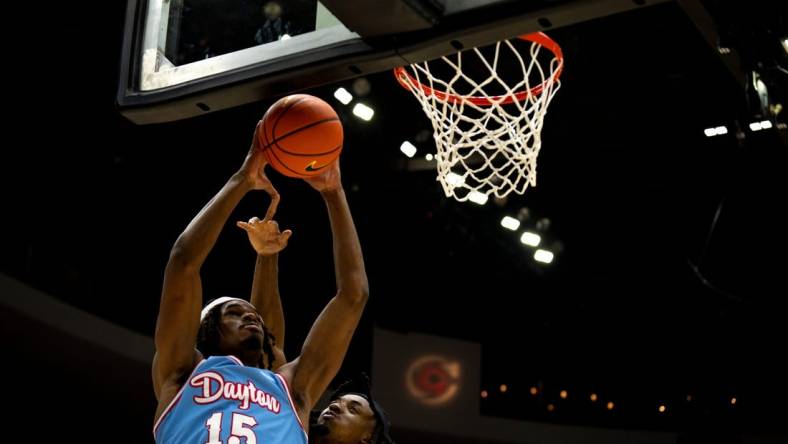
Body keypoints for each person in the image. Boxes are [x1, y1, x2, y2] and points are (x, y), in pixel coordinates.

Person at [152, 120, 370, 443]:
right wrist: (242, 179)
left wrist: (333, 191)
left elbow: (354, 295)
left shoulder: (293, 388)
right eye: (234, 312)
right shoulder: (181, 372)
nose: (250, 314)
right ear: (205, 329)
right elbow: (183, 261)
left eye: (250, 313)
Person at [238, 210, 395, 444]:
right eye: (339, 401)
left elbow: (355, 295)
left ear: (368, 436)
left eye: (353, 409)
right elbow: (266, 350)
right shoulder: (289, 422)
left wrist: (334, 193)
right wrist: (267, 256)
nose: (336, 405)